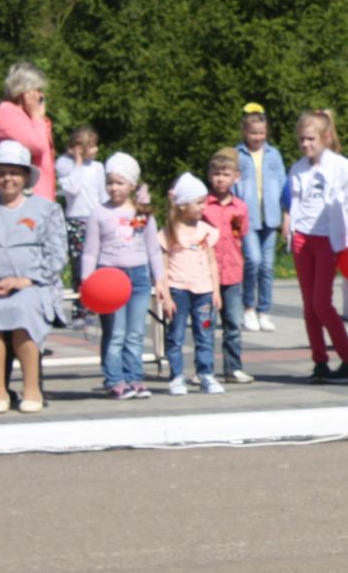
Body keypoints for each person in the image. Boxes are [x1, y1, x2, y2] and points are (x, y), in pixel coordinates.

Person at [0, 141, 66, 413]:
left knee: (24, 308)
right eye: (2, 172)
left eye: (14, 172)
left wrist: (26, 280)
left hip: (32, 283)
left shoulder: (47, 209)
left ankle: (31, 389)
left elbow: (57, 255)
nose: (8, 178)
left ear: (26, 176)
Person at [287, 109, 348, 384]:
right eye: (301, 140)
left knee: (322, 303)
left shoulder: (340, 165)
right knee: (309, 305)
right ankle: (319, 361)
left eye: (310, 139)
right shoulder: (298, 168)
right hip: (302, 238)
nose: (305, 145)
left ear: (325, 136)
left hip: (328, 241)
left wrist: (345, 239)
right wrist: (292, 229)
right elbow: (295, 202)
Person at [80, 152, 164, 399]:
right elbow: (90, 251)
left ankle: (135, 377)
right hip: (109, 278)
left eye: (119, 182)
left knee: (136, 332)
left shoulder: (142, 213)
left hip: (138, 277)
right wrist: (87, 283)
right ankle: (114, 379)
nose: (114, 188)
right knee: (116, 332)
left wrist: (159, 280)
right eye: (110, 182)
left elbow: (153, 249)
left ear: (132, 184)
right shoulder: (99, 214)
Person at [161, 173, 224, 396]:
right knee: (176, 335)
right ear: (182, 205)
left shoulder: (205, 230)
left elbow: (211, 262)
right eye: (198, 202)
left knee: (205, 334)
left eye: (204, 201)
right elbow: (163, 266)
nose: (203, 207)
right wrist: (166, 295)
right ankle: (177, 376)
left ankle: (206, 374)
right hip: (179, 290)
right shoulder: (170, 232)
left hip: (204, 291)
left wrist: (216, 290)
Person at [234, 106, 287, 333]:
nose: (257, 138)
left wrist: (286, 215)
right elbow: (233, 185)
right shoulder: (238, 154)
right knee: (253, 261)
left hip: (270, 217)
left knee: (267, 266)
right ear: (245, 132)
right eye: (253, 133)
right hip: (248, 218)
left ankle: (264, 310)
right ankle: (248, 308)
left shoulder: (273, 154)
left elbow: (284, 185)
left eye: (261, 133)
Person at [202, 152, 253, 385]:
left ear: (236, 177)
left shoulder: (240, 207)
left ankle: (233, 368)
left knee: (233, 323)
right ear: (209, 176)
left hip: (232, 272)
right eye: (216, 174)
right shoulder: (202, 205)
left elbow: (240, 234)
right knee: (206, 323)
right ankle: (205, 369)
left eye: (225, 174)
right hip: (206, 274)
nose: (220, 179)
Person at [0, 62, 58, 201]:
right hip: (27, 198)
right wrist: (36, 116)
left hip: (41, 197)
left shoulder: (27, 117)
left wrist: (38, 117)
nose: (41, 96)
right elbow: (38, 146)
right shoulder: (8, 113)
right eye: (37, 90)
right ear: (25, 91)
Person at [56, 126, 107, 300]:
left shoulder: (98, 167)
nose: (96, 149)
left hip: (95, 218)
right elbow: (73, 188)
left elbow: (103, 194)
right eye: (92, 146)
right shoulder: (64, 164)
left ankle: (97, 297)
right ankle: (81, 305)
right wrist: (77, 162)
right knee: (79, 262)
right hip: (76, 220)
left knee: (98, 260)